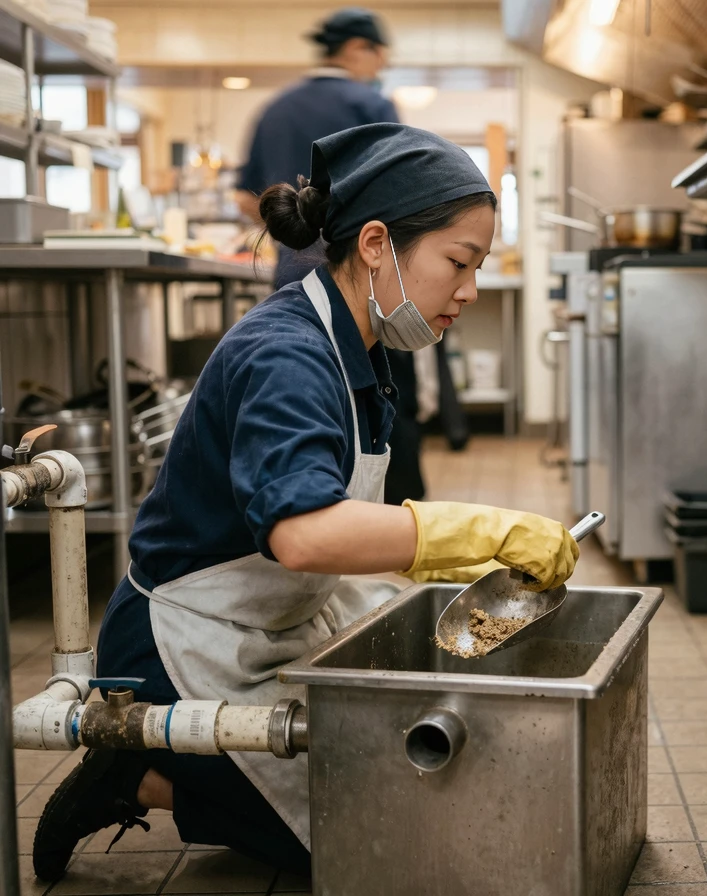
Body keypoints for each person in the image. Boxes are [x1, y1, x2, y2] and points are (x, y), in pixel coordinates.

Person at [32, 123, 578, 881]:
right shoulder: (287, 354)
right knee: (357, 832)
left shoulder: (362, 345)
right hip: (185, 644)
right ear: (378, 244)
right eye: (459, 261)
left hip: (280, 620)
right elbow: (303, 535)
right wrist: (473, 529)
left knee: (406, 772)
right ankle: (136, 775)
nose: (470, 290)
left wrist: (449, 556)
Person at [236, 7, 400, 288]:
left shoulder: (275, 109)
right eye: (380, 56)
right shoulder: (372, 107)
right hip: (358, 280)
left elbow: (246, 198)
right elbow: (396, 191)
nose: (382, 66)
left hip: (290, 278)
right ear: (356, 47)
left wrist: (294, 232)